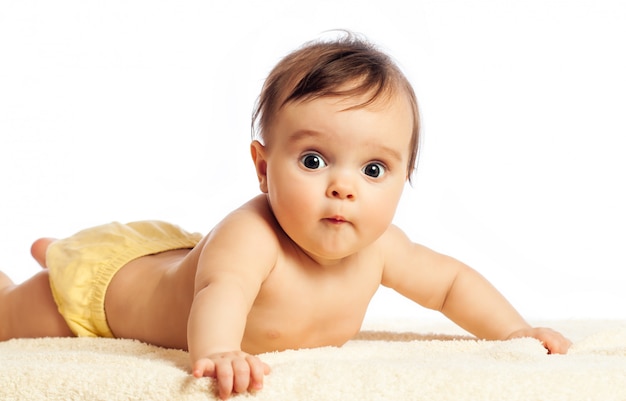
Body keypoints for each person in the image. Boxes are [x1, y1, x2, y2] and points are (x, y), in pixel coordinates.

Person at [0, 32, 571, 400]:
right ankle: (41, 270)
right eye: (314, 160)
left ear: (405, 177)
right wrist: (218, 352)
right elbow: (219, 293)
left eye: (374, 170)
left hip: (171, 260)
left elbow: (451, 285)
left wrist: (514, 331)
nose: (343, 187)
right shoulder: (252, 238)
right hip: (108, 295)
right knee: (13, 318)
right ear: (263, 167)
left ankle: (55, 247)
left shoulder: (381, 248)